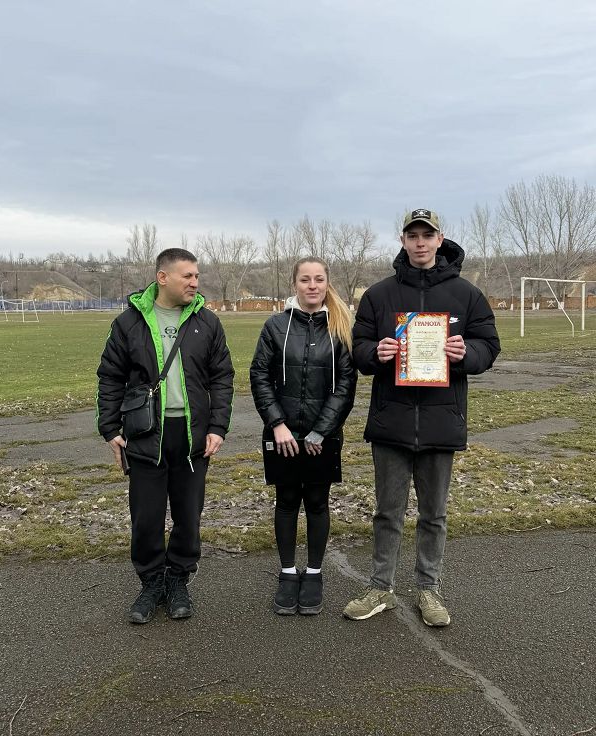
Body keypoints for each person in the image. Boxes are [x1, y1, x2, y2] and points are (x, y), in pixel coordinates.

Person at [343, 210, 500, 626]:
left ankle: (429, 589)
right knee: (387, 512)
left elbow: (488, 345)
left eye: (426, 236)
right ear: (402, 240)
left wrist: (466, 353)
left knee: (434, 514)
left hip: (441, 420)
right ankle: (381, 587)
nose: (419, 243)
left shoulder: (466, 294)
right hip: (391, 421)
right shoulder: (379, 295)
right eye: (412, 235)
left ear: (439, 239)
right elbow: (358, 347)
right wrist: (375, 353)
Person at [96, 248, 234, 624]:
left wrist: (218, 427)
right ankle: (151, 583)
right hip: (145, 435)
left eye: (197, 276)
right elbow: (110, 377)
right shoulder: (129, 323)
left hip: (192, 436)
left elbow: (222, 377)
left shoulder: (207, 322)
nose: (195, 282)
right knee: (146, 518)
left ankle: (178, 581)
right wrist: (110, 429)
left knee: (189, 517)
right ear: (163, 278)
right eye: (187, 276)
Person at [250, 257, 356, 615]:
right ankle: (286, 573)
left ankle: (313, 573)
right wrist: (277, 424)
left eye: (319, 279)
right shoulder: (275, 325)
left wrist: (321, 431)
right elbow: (259, 375)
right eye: (305, 280)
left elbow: (345, 386)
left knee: (317, 502)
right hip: (282, 435)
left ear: (327, 283)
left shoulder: (340, 327)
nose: (312, 286)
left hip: (322, 438)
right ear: (294, 284)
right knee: (286, 501)